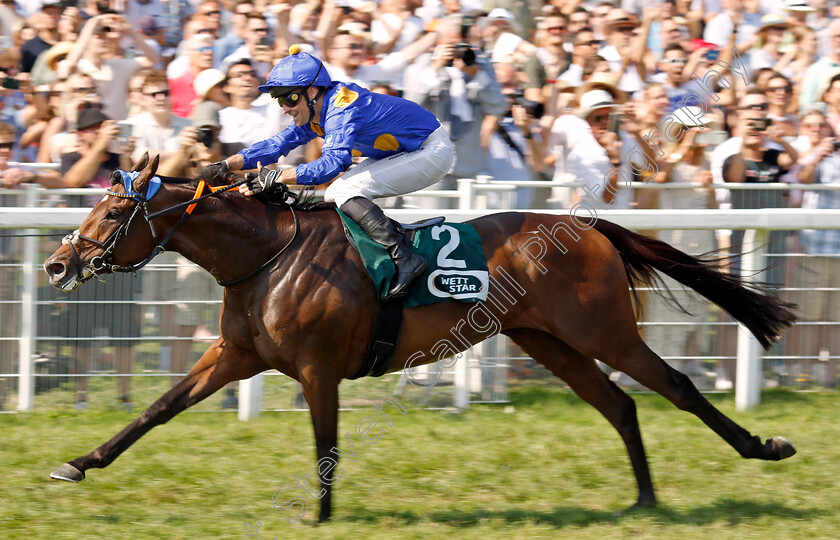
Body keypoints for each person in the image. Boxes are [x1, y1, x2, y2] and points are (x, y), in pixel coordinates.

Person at [201, 45, 454, 300]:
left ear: (311, 91)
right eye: (278, 99)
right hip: (406, 151)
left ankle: (404, 257)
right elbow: (278, 144)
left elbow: (333, 164)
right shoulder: (316, 110)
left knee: (344, 189)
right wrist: (225, 164)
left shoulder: (342, 107)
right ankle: (381, 254)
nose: (285, 108)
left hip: (430, 150)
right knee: (334, 193)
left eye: (289, 98)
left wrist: (277, 177)